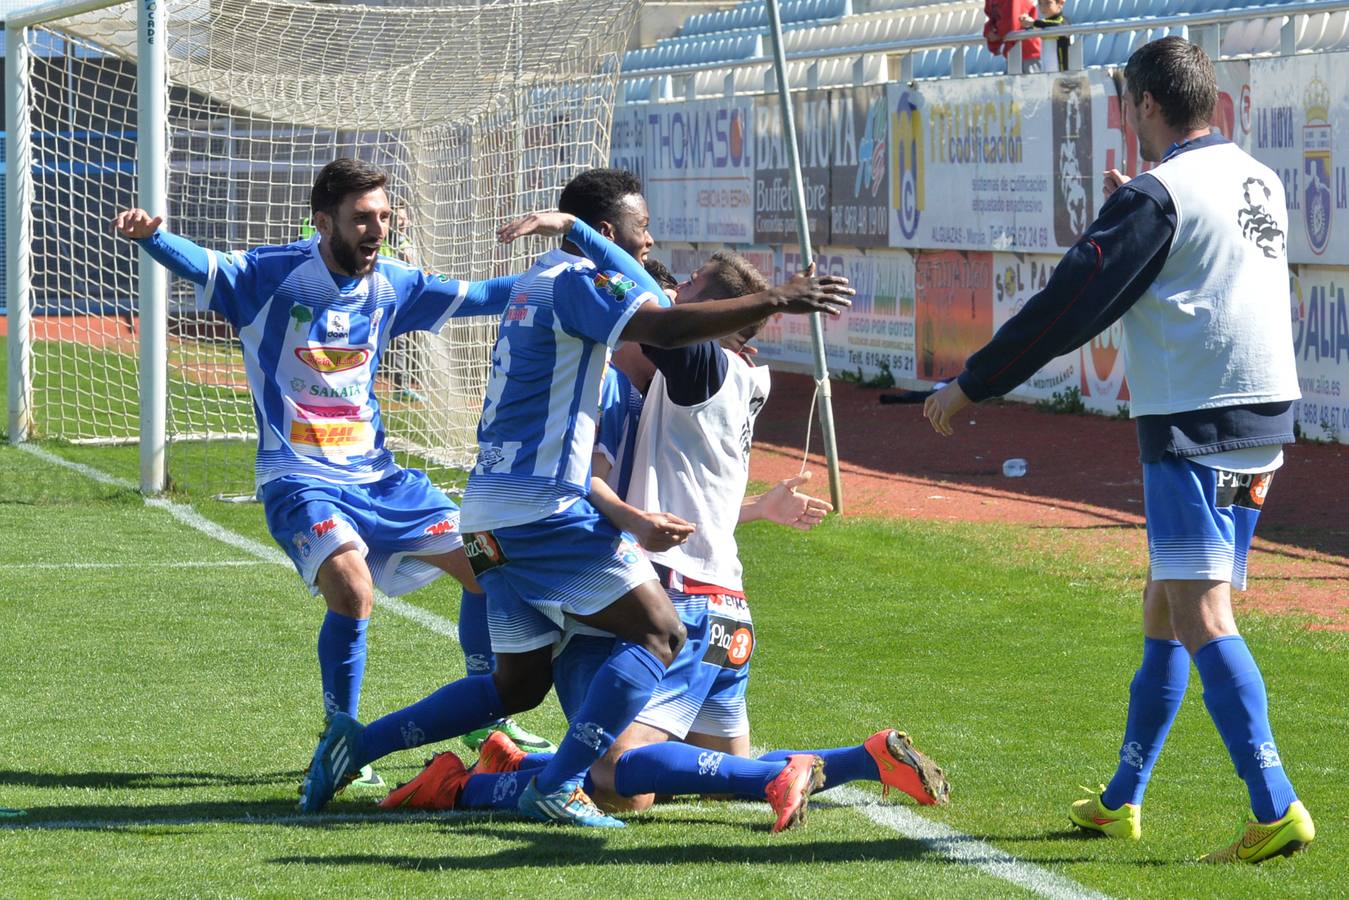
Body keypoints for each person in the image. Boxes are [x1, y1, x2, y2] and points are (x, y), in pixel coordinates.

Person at [297, 168, 854, 825]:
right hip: (542, 508)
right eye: (641, 234)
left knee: (517, 686)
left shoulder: (536, 283)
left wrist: (578, 231)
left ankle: (359, 743)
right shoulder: (581, 284)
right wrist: (780, 299)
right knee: (661, 631)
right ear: (610, 234)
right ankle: (557, 784)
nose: (651, 250)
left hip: (484, 510)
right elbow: (667, 326)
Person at [378, 253, 947, 830]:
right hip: (729, 606)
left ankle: (464, 785)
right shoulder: (737, 375)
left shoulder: (685, 371)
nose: (665, 299)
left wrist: (581, 234)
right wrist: (756, 510)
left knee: (616, 779)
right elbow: (689, 497)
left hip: (674, 593)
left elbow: (655, 343)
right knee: (708, 771)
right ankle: (863, 759)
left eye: (689, 289)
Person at [922, 37, 1314, 864]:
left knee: (1201, 611)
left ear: (1142, 103)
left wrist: (972, 384)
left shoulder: (1157, 195)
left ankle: (1274, 804)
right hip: (1261, 423)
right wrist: (1137, 209)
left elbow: (1071, 303)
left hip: (1191, 425)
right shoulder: (1255, 176)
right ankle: (1120, 799)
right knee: (1164, 604)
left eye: (1124, 103)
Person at [111, 158, 612, 785]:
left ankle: (490, 719)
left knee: (489, 567)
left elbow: (482, 296)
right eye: (360, 219)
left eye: (382, 218)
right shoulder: (274, 274)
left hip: (381, 478)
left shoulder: (393, 284)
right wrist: (152, 236)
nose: (375, 231)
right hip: (300, 476)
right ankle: (340, 736)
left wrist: (568, 271)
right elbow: (206, 264)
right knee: (352, 589)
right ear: (323, 222)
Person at [984, 0, 1041, 73]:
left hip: (1028, 52)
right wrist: (990, 31)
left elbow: (1013, 22)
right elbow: (992, 19)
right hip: (1013, 51)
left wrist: (998, 38)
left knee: (1033, 82)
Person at [1020, 0, 1070, 72]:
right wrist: (1025, 22)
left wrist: (1033, 22)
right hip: (1046, 70)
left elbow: (1057, 25)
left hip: (1061, 70)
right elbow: (1035, 27)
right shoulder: (1042, 23)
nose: (1043, 7)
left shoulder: (1063, 21)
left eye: (1048, 3)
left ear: (1060, 3)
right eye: (1040, 3)